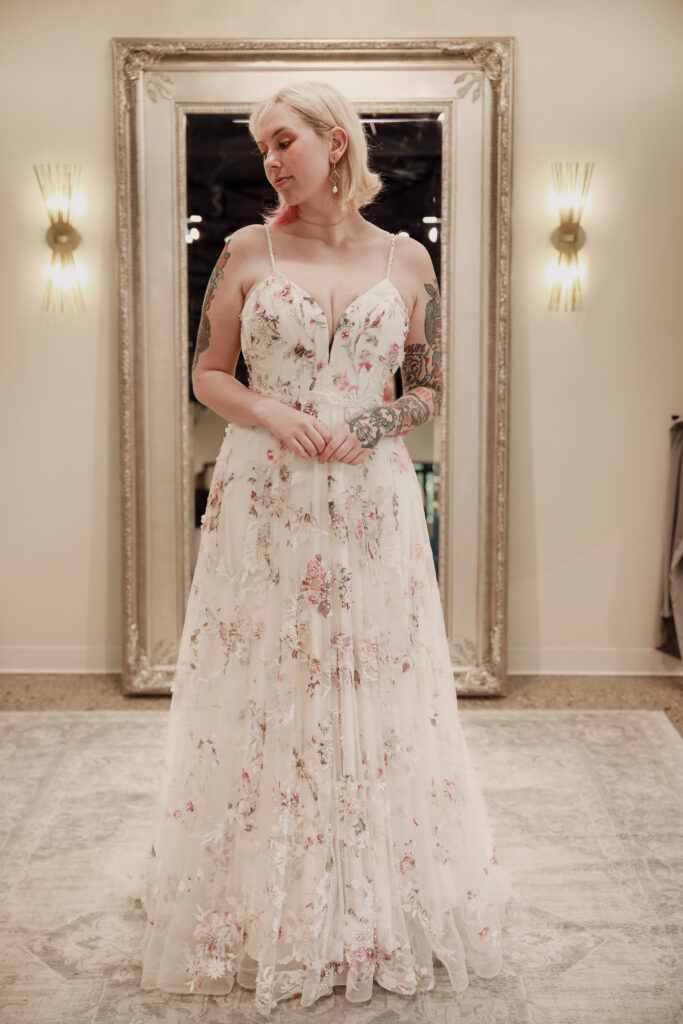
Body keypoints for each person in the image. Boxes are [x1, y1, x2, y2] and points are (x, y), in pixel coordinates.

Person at [139, 79, 511, 1018]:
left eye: (283, 140)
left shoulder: (407, 260)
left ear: (334, 144)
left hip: (370, 499)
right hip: (265, 496)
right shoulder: (244, 249)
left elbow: (425, 388)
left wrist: (377, 420)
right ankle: (257, 897)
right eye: (262, 145)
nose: (270, 159)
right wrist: (269, 411)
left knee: (370, 678)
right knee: (268, 678)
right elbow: (207, 373)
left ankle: (373, 892)